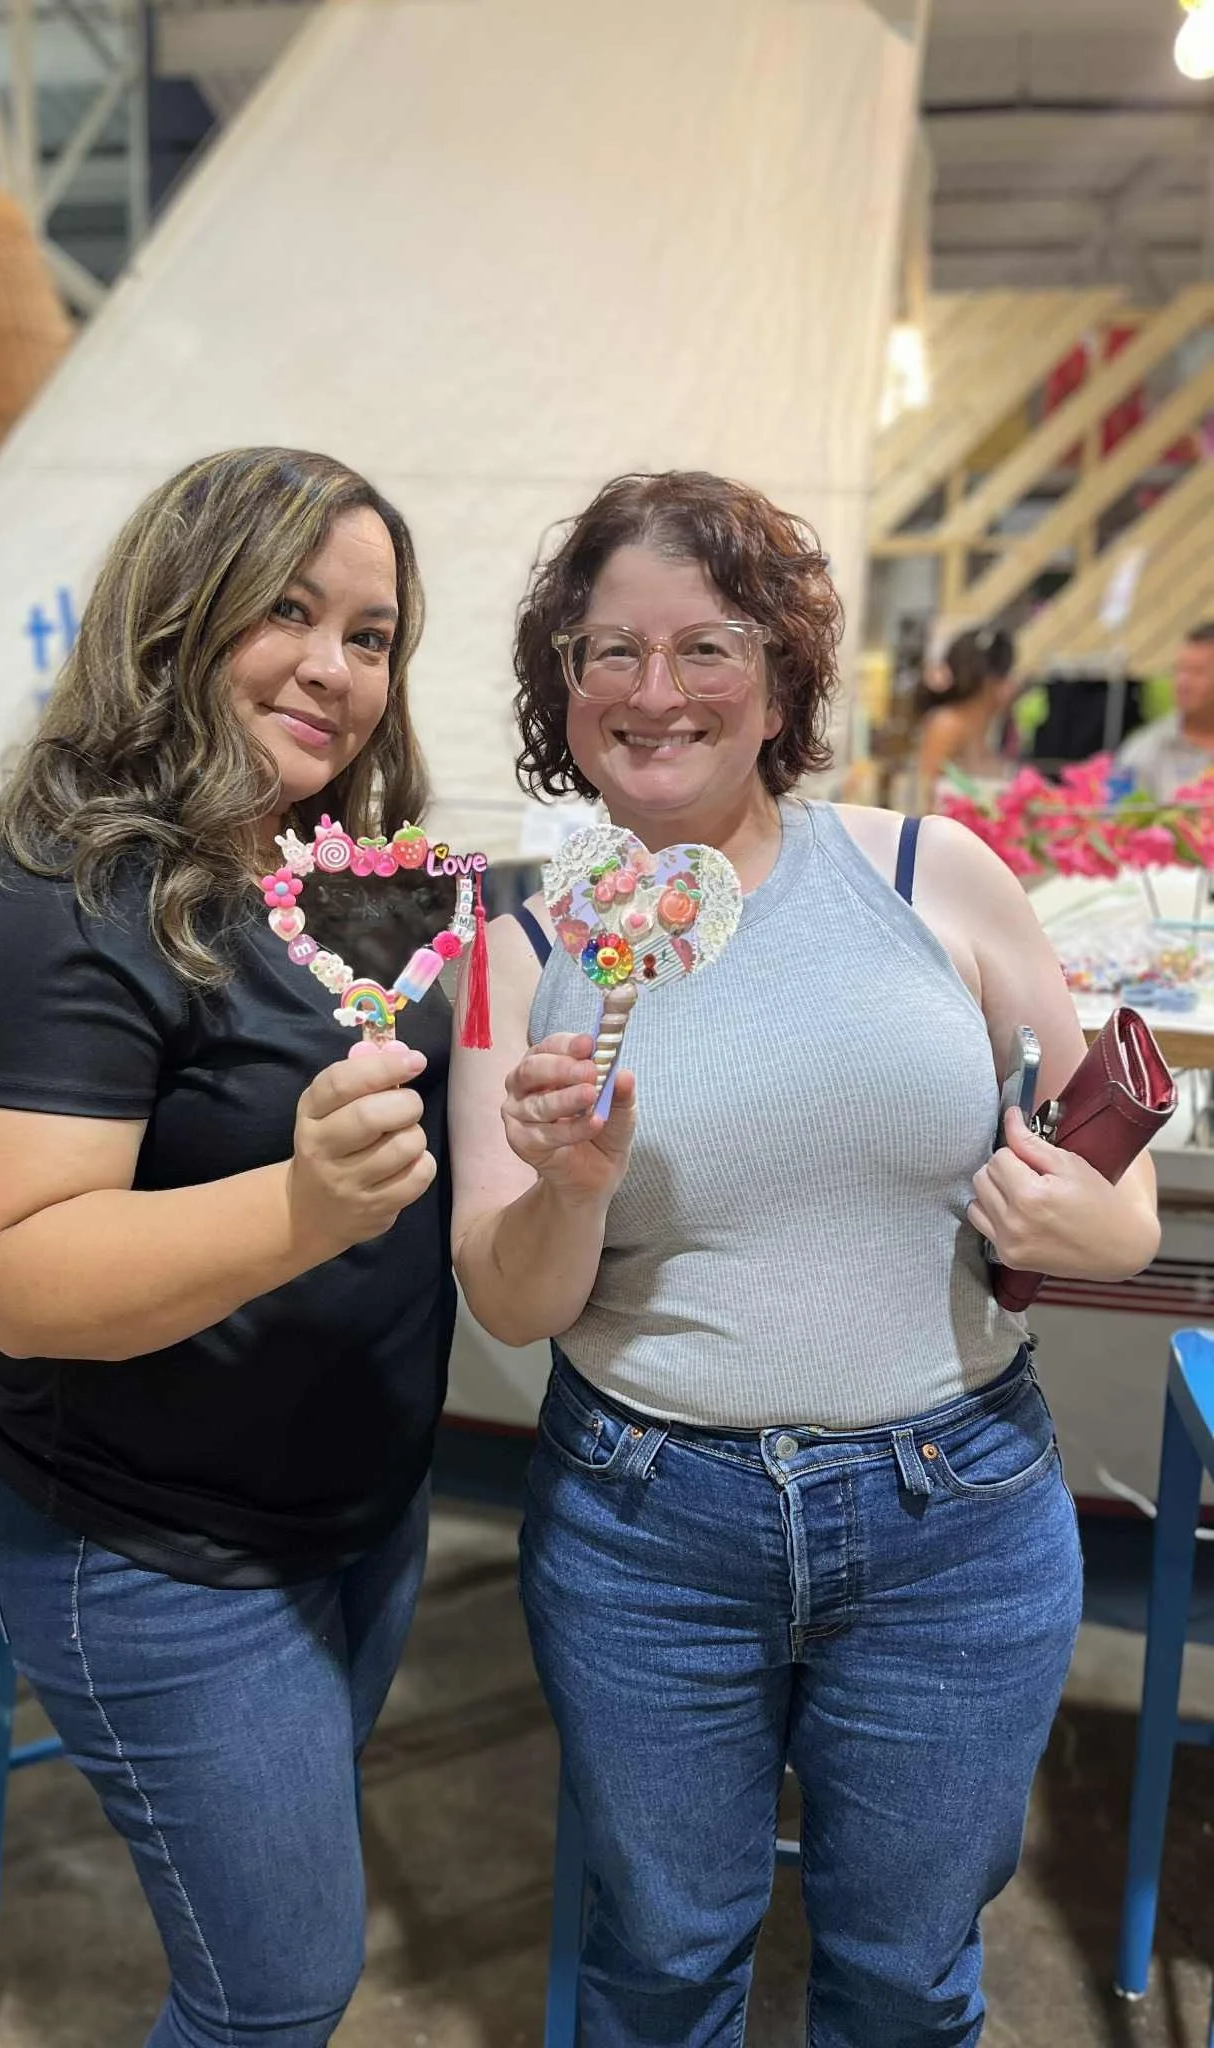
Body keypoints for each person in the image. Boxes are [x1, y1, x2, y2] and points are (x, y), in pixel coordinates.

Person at [449, 471, 1161, 2046]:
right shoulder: (521, 951)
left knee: (907, 1977)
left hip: (955, 1522)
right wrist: (568, 1190)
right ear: (559, 684)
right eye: (606, 651)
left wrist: (1095, 1228)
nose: (655, 692)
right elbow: (509, 1299)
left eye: (707, 646)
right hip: (646, 1530)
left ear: (779, 675)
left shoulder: (934, 874)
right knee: (659, 1960)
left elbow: (1121, 1185)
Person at [0, 447, 457, 2048]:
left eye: (371, 636)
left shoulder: (317, 873)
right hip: (157, 1553)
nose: (334, 668)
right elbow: (18, 1279)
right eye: (285, 611)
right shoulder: (54, 892)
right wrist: (304, 1205)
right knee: (275, 1994)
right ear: (175, 609)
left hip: (348, 1516)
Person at [911, 623, 1018, 813]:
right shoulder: (946, 725)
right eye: (1007, 676)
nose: (1013, 687)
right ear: (990, 682)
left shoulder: (989, 731)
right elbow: (923, 800)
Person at [1116, 620, 1214, 801]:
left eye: (1198, 672)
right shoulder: (1143, 753)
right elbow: (1117, 822)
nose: (1183, 683)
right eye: (1179, 671)